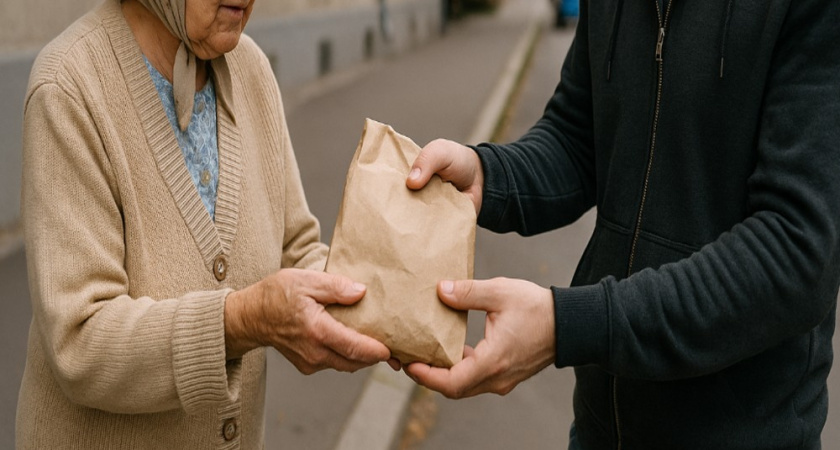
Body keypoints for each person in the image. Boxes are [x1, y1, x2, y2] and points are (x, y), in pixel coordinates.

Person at [403, 0, 840, 448]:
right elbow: (577, 137)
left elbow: (797, 251)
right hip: (599, 431)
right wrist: (487, 175)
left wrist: (568, 326)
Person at [16, 0, 390, 448]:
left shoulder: (251, 68)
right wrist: (240, 321)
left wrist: (396, 292)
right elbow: (80, 342)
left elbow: (297, 246)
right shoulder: (69, 84)